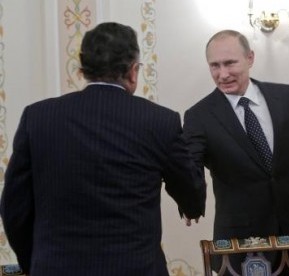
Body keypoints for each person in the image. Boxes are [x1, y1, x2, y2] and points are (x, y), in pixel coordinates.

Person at [0, 22, 206, 276]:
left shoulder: (38, 117)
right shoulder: (159, 121)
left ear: (83, 69)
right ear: (132, 71)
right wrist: (193, 202)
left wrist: (37, 261)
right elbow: (192, 194)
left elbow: (14, 208)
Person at [183, 29, 289, 275]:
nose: (223, 74)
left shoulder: (286, 96)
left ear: (250, 58)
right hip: (238, 241)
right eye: (215, 66)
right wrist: (188, 198)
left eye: (230, 63)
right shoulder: (199, 116)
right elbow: (190, 165)